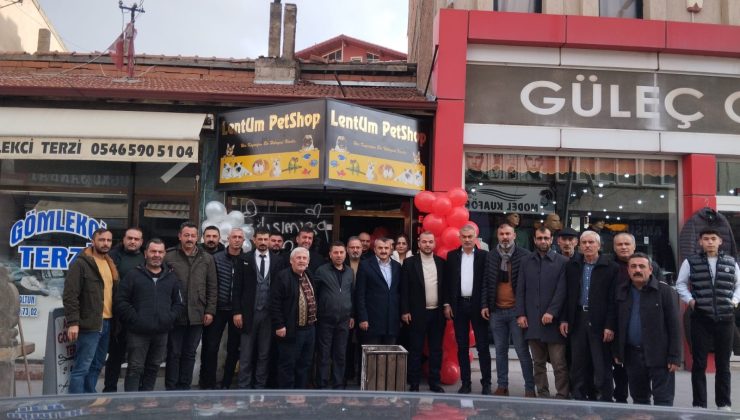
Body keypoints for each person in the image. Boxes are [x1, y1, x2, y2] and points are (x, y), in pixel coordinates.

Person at [676, 227, 740, 411]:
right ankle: (699, 404)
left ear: (720, 241)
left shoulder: (731, 262)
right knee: (699, 363)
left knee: (723, 363)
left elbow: (738, 285)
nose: (710, 242)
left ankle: (724, 403)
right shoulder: (691, 262)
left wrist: (734, 301)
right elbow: (680, 284)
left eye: (713, 238)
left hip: (726, 318)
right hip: (700, 318)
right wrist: (691, 301)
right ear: (700, 242)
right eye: (706, 238)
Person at [115, 238, 184, 392]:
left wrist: (169, 319)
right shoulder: (133, 275)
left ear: (164, 254)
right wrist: (135, 319)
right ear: (146, 253)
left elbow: (179, 303)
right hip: (137, 332)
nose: (156, 255)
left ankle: (146, 400)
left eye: (160, 252)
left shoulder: (171, 277)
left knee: (153, 367)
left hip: (161, 332)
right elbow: (121, 301)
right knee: (135, 368)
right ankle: (131, 404)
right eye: (153, 251)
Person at [613, 253, 681, 406]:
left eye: (641, 266)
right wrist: (618, 351)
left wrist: (675, 356)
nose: (637, 270)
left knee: (663, 400)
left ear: (650, 269)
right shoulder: (622, 291)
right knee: (640, 400)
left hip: (661, 356)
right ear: (628, 270)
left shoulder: (664, 291)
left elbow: (674, 326)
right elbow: (618, 323)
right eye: (633, 266)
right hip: (632, 355)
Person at [562, 230, 618, 402]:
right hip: (578, 318)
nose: (587, 245)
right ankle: (578, 396)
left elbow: (613, 300)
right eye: (584, 242)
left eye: (591, 242)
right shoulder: (573, 265)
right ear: (579, 246)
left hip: (600, 321)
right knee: (578, 361)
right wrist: (564, 319)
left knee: (601, 362)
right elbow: (567, 295)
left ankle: (604, 397)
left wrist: (610, 325)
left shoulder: (611, 267)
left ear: (599, 245)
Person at [481, 223, 534, 397]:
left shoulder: (525, 256)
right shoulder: (491, 256)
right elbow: (485, 283)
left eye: (508, 234)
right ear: (497, 235)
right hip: (496, 311)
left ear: (514, 236)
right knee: (500, 351)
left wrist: (523, 312)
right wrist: (484, 305)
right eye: (502, 233)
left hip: (516, 312)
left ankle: (529, 388)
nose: (505, 237)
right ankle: (502, 386)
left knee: (522, 351)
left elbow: (528, 288)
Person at [515, 226, 569, 398]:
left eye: (546, 238)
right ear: (534, 240)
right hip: (532, 320)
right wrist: (521, 314)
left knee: (559, 363)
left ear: (551, 239)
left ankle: (562, 394)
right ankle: (543, 394)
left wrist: (552, 312)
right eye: (539, 238)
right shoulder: (526, 261)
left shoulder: (562, 262)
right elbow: (520, 290)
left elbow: (562, 291)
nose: (543, 241)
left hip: (553, 322)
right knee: (538, 362)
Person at [63, 227, 118, 394]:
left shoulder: (110, 263)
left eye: (109, 240)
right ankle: (76, 406)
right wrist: (73, 322)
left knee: (96, 365)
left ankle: (89, 401)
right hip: (89, 324)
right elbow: (70, 295)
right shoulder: (81, 263)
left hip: (107, 322)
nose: (105, 243)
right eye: (101, 240)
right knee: (82, 367)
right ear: (93, 241)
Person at [163, 222, 217, 390]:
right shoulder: (169, 256)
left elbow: (212, 286)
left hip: (197, 313)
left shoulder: (206, 258)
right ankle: (171, 388)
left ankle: (184, 387)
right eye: (186, 235)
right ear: (180, 236)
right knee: (174, 353)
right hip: (175, 313)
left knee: (190, 353)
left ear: (197, 237)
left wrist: (210, 310)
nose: (190, 239)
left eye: (193, 236)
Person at [233, 227, 283, 389]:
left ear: (269, 240)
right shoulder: (244, 259)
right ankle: (243, 387)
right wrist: (237, 312)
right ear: (254, 240)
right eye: (259, 239)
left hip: (268, 315)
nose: (262, 242)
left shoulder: (277, 261)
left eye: (265, 239)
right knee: (246, 354)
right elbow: (237, 288)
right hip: (249, 313)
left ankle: (260, 386)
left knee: (264, 353)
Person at [444, 224, 491, 395]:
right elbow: (448, 283)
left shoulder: (484, 256)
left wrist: (486, 304)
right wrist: (447, 304)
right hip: (459, 305)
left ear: (476, 238)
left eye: (470, 236)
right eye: (464, 237)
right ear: (459, 238)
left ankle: (486, 383)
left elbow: (488, 283)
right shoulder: (452, 256)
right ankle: (466, 383)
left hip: (479, 306)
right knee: (462, 346)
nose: (467, 239)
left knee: (483, 347)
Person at [401, 232, 446, 393]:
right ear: (419, 244)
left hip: (437, 313)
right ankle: (414, 383)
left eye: (430, 242)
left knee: (436, 350)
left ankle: (434, 382)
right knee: (415, 349)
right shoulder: (409, 263)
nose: (427, 245)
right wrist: (405, 310)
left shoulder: (441, 263)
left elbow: (445, 288)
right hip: (416, 313)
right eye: (424, 242)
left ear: (435, 244)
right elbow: (404, 289)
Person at [200, 228, 244, 389]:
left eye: (240, 237)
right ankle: (208, 383)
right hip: (217, 309)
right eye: (234, 237)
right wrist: (209, 309)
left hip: (237, 311)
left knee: (233, 348)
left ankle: (226, 383)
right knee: (211, 347)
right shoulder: (216, 259)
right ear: (227, 239)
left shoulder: (246, 260)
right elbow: (210, 284)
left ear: (243, 240)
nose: (237, 240)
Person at [103, 227, 144, 393]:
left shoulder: (145, 258)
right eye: (130, 238)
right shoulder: (111, 257)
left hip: (138, 316)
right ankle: (110, 390)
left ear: (141, 242)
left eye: (136, 239)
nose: (132, 241)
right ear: (124, 239)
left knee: (137, 358)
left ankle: (132, 392)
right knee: (115, 356)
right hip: (116, 316)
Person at [270, 247, 317, 389]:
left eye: (304, 258)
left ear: (308, 262)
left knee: (305, 363)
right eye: (298, 258)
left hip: (309, 329)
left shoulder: (309, 274)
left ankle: (300, 393)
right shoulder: (282, 276)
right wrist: (279, 325)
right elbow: (274, 303)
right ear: (291, 261)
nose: (302, 261)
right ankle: (287, 395)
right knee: (288, 364)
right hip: (291, 330)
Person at [313, 241, 354, 389]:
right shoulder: (321, 271)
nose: (339, 255)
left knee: (340, 354)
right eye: (335, 252)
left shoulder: (350, 272)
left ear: (345, 254)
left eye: (341, 252)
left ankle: (338, 383)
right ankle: (322, 384)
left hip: (343, 319)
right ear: (330, 254)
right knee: (323, 354)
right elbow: (314, 294)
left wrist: (352, 315)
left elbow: (352, 294)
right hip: (325, 319)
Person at [355, 238, 402, 345]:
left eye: (386, 248)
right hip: (372, 322)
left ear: (391, 250)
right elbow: (360, 294)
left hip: (392, 322)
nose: (383, 251)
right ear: (375, 249)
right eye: (380, 248)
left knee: (389, 357)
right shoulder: (365, 265)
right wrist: (363, 318)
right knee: (372, 357)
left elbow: (399, 293)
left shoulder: (397, 266)